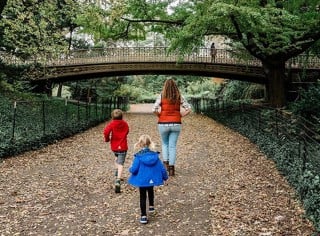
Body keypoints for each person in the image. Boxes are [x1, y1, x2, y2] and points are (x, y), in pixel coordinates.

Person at [152, 78, 192, 176]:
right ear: (175, 86)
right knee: (172, 146)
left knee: (165, 144)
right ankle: (172, 169)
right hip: (176, 123)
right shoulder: (179, 96)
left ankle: (165, 165)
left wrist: (159, 115)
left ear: (165, 86)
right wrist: (180, 115)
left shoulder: (161, 96)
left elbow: (154, 109)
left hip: (163, 124)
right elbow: (189, 108)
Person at [128, 135, 168, 224]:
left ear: (140, 144)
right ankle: (151, 206)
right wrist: (165, 176)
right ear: (150, 144)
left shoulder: (138, 157)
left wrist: (130, 169)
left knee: (142, 197)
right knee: (150, 190)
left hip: (142, 180)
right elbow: (162, 168)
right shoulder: (155, 156)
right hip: (151, 179)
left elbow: (134, 169)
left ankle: (143, 216)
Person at [103, 109, 129, 193]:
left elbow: (106, 131)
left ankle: (117, 173)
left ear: (112, 117)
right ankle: (118, 180)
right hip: (123, 146)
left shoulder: (112, 124)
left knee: (117, 157)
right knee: (121, 163)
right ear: (122, 116)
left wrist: (107, 139)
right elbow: (127, 131)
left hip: (114, 146)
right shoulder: (124, 124)